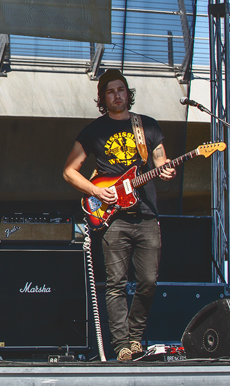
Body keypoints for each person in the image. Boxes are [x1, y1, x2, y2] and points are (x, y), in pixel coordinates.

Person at [63, 69, 175, 362]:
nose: (117, 95)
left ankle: (137, 338)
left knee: (148, 281)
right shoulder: (93, 131)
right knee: (116, 283)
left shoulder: (147, 127)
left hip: (147, 214)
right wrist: (98, 192)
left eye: (121, 89)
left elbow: (160, 160)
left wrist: (166, 170)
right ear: (103, 98)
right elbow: (69, 171)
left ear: (128, 93)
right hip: (113, 216)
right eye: (110, 91)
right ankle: (122, 345)